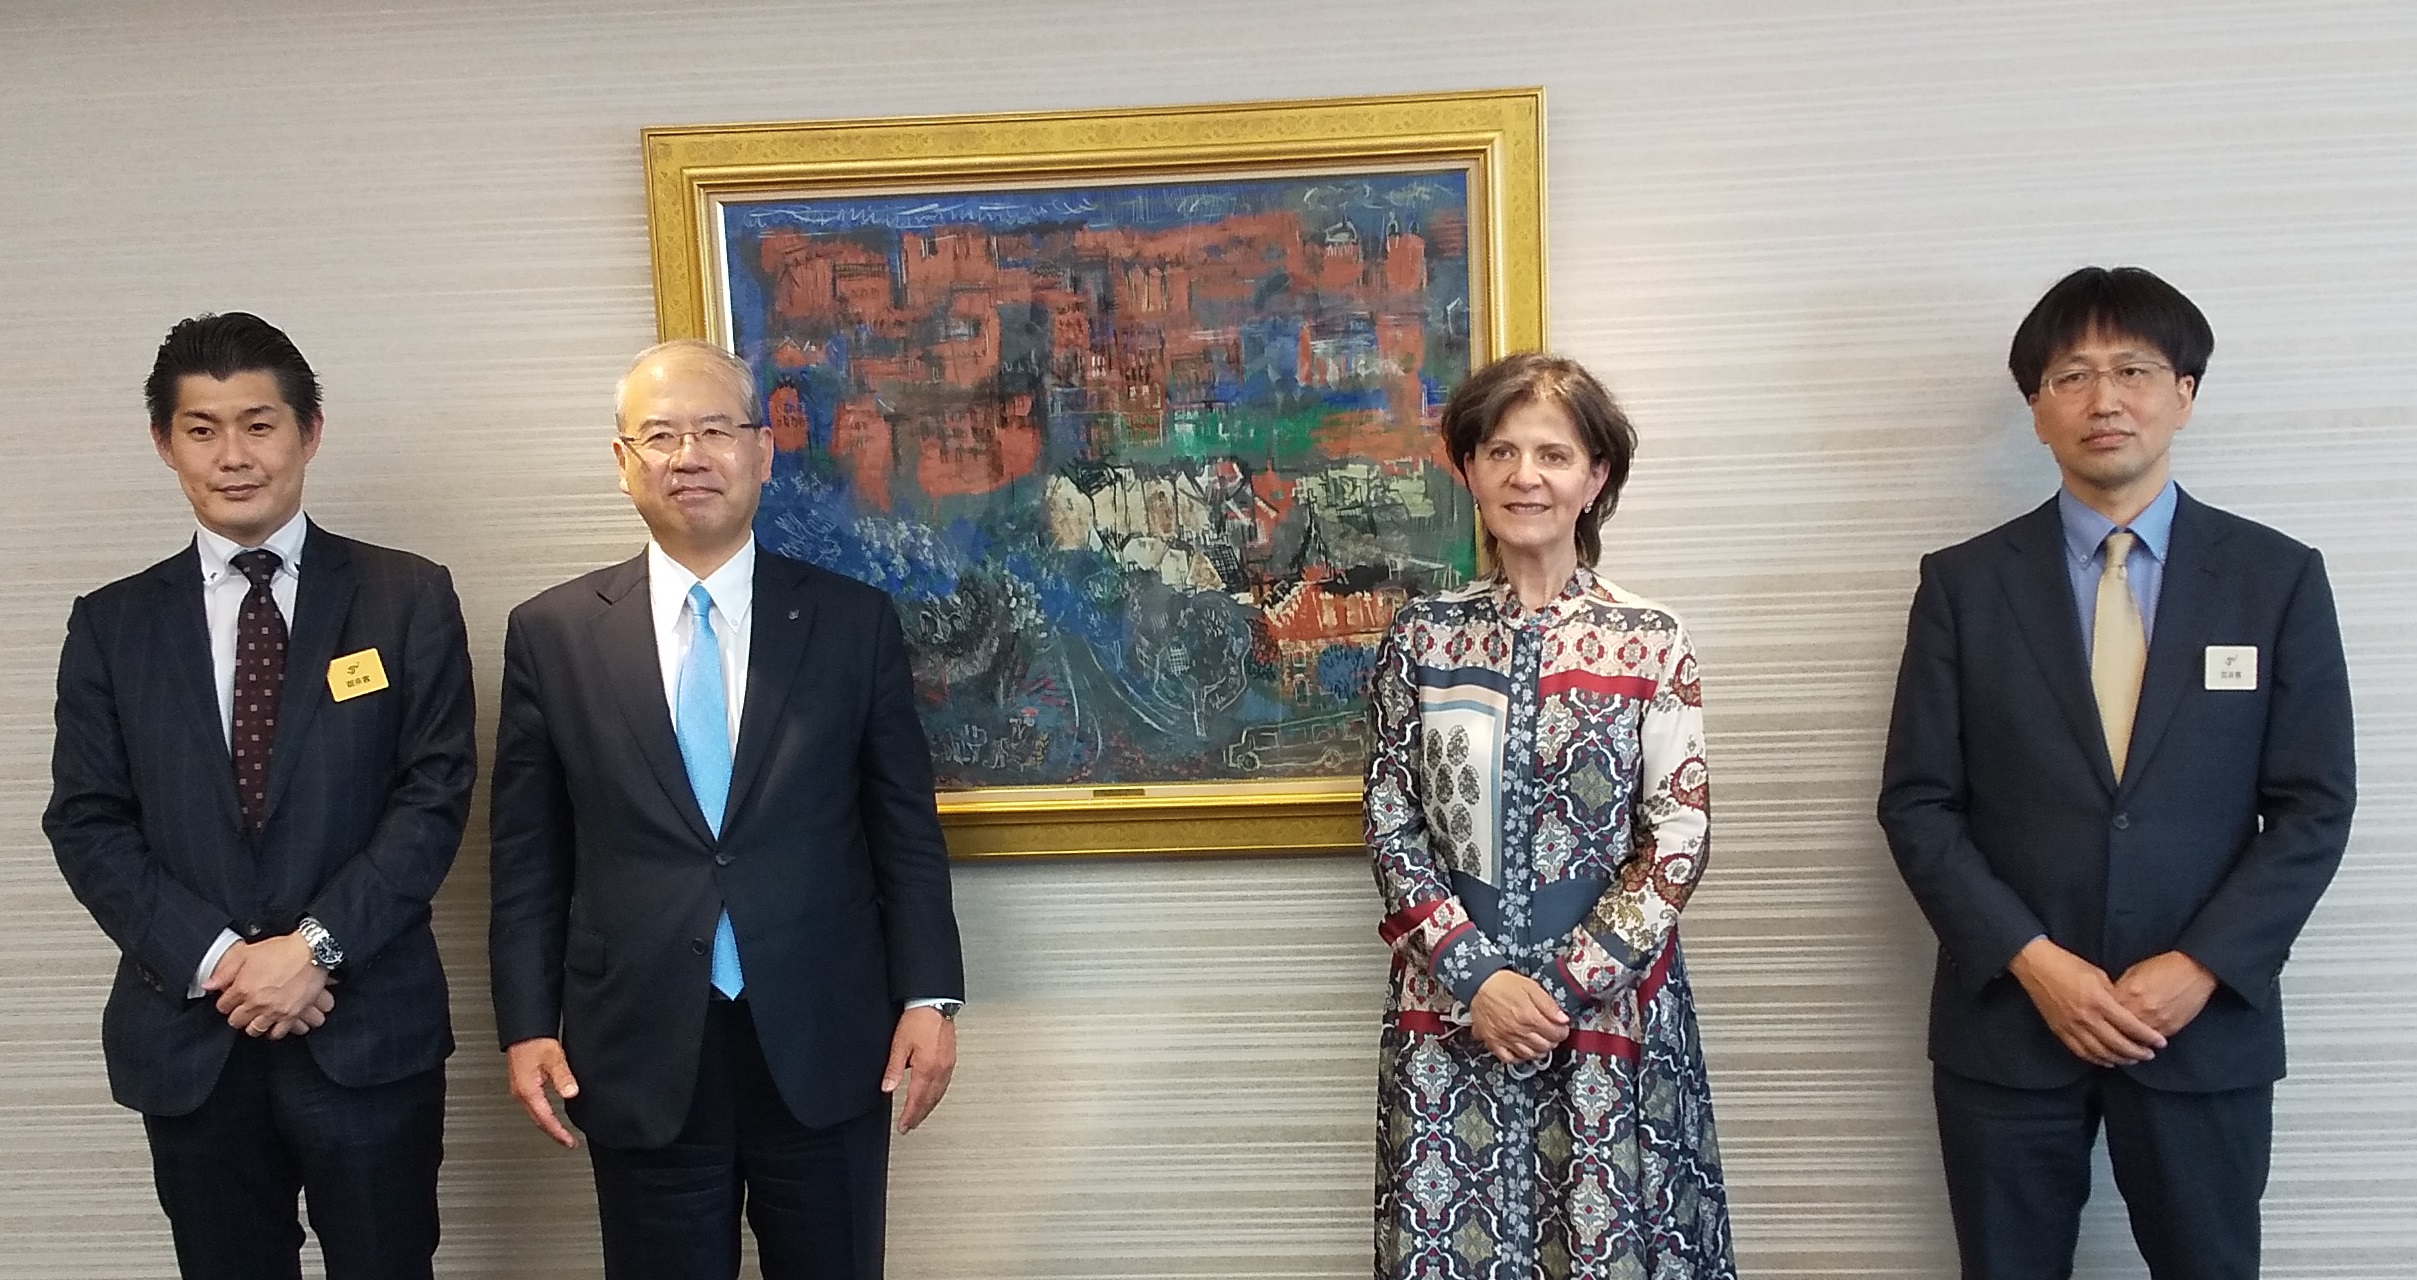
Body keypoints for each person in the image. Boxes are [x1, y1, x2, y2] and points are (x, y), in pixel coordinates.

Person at [1878, 266, 2357, 1280]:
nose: (2104, 398)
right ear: (2035, 409)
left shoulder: (2274, 578)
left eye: (2132, 369)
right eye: (2071, 375)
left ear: (2182, 392)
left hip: (2200, 1024)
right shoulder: (1961, 585)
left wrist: (2199, 967)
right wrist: (2034, 961)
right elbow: (1918, 802)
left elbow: (2312, 805)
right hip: (2006, 1022)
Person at [488, 338, 965, 1280]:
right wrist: (526, 1023)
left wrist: (929, 993)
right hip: (634, 1041)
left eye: (714, 429)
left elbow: (902, 828)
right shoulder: (552, 636)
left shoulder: (850, 621)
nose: (688, 455)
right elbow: (529, 857)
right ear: (623, 462)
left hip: (827, 1034)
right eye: (659, 435)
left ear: (762, 451)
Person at [44, 312, 475, 1280]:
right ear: (165, 443)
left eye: (258, 423)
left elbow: (434, 792)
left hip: (365, 1027)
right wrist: (224, 959)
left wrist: (313, 948)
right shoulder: (112, 624)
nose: (233, 455)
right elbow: (88, 818)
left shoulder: (405, 597)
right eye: (202, 429)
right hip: (192, 1035)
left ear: (309, 430)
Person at [1365, 351, 1736, 1279]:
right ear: (1468, 469)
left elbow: (1678, 834)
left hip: (1609, 1017)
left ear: (1594, 477)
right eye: (1501, 452)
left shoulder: (1650, 638)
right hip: (1449, 1016)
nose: (1525, 476)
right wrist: (1477, 979)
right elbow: (1389, 815)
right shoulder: (1419, 637)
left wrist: (1566, 989)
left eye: (1554, 455)